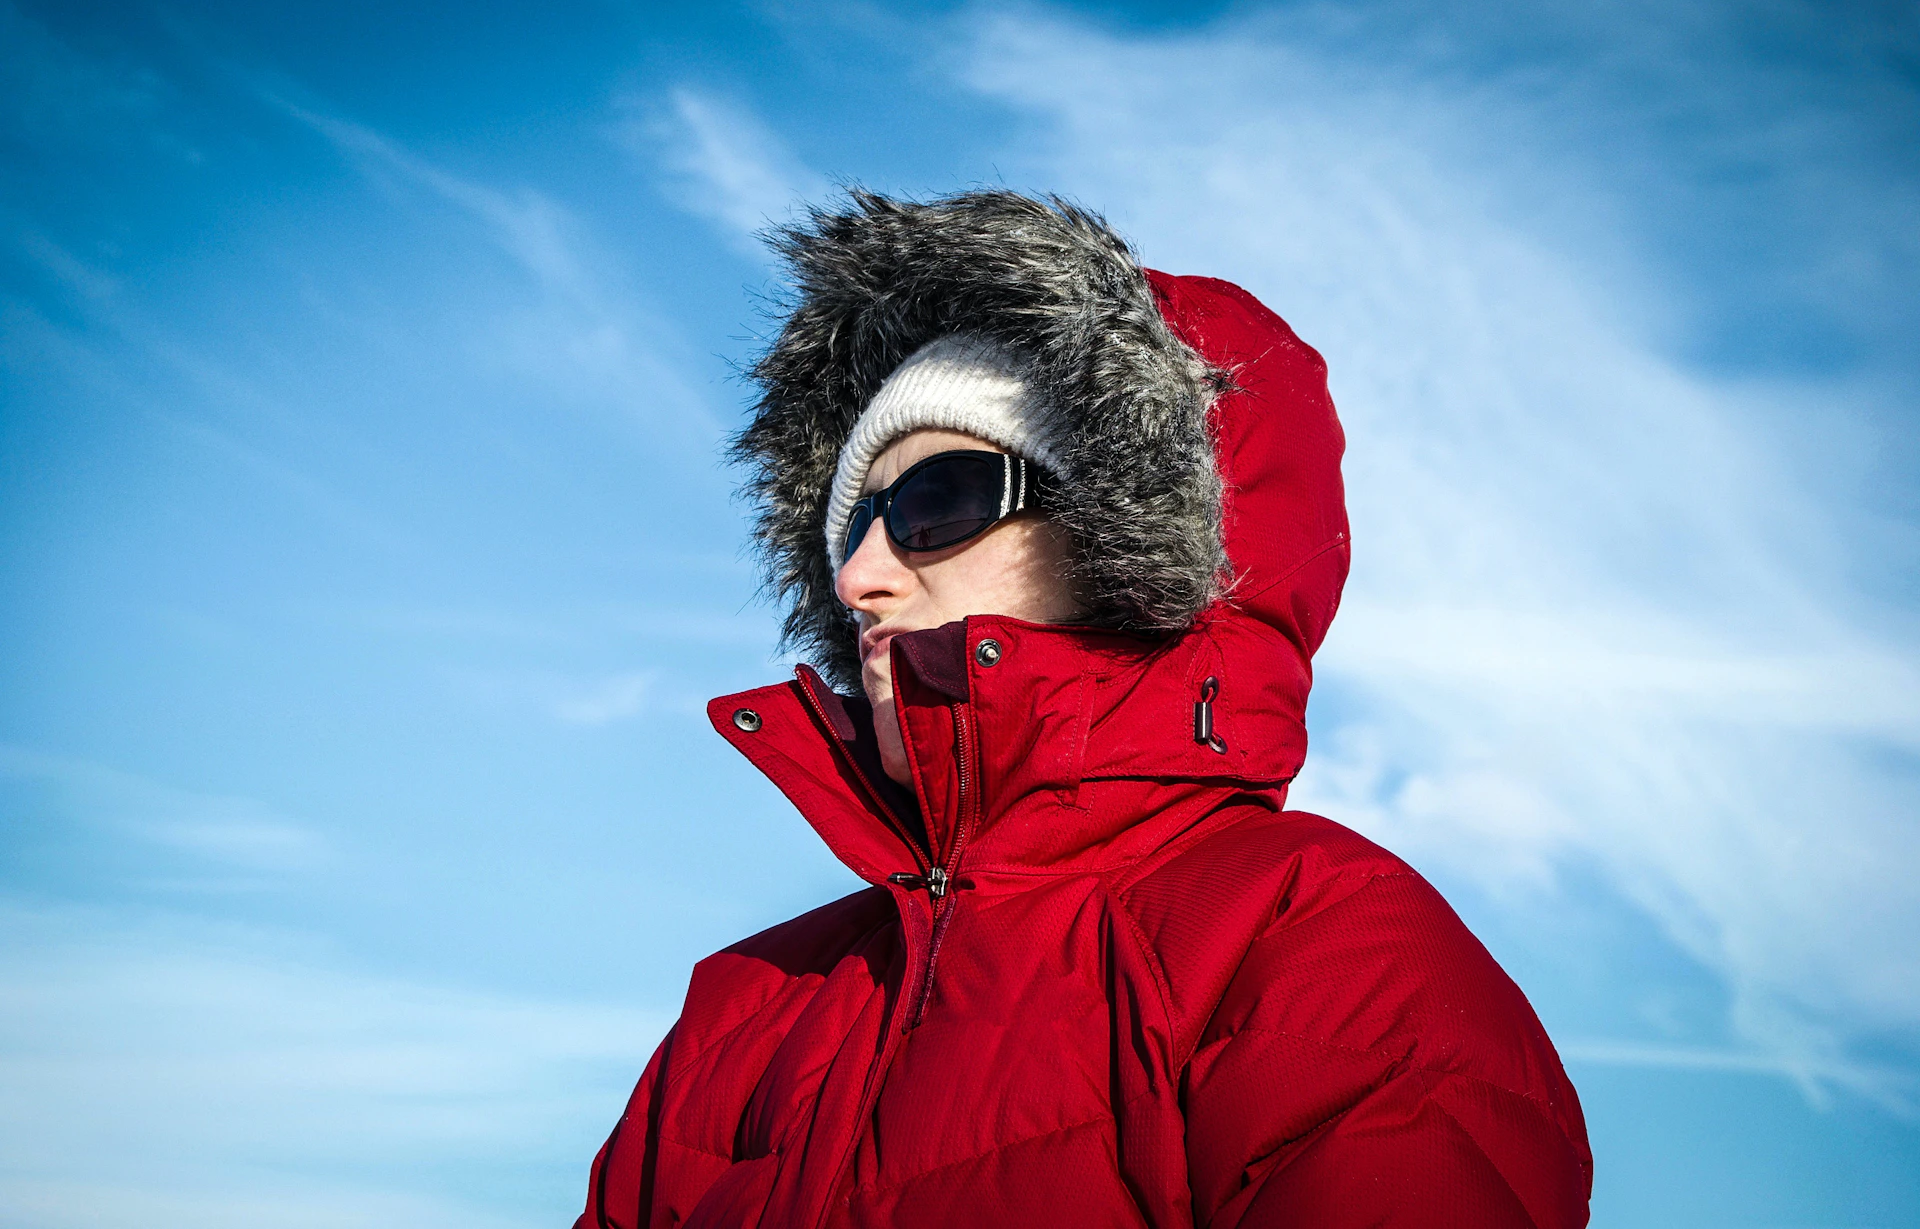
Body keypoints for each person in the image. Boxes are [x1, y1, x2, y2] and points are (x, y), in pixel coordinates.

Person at [573, 191, 1592, 1228]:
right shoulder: (741, 1011)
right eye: (852, 526)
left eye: (934, 502)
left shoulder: (1320, 943)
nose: (859, 575)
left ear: (1118, 534)